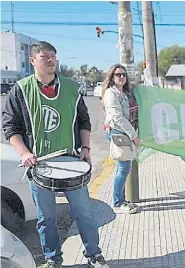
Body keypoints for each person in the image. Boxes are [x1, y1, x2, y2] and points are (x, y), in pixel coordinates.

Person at [2, 41, 108, 268]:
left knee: (84, 214)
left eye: (53, 56)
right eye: (44, 56)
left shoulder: (72, 88)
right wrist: (24, 153)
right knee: (46, 218)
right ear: (32, 61)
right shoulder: (20, 89)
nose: (50, 60)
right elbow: (11, 127)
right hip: (39, 166)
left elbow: (84, 121)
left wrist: (86, 149)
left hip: (71, 162)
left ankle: (94, 255)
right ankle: (53, 259)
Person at [102, 64, 141, 214]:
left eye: (124, 74)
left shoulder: (125, 92)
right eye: (118, 74)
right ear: (112, 77)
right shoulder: (111, 94)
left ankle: (122, 199)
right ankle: (118, 203)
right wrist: (133, 135)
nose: (122, 77)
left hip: (125, 133)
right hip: (119, 133)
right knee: (124, 168)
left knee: (123, 168)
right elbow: (118, 117)